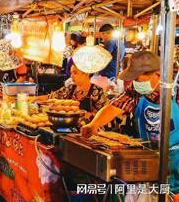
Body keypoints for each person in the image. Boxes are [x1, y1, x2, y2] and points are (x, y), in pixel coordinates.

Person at [80, 51, 179, 191]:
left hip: (176, 162)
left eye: (138, 79)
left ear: (158, 74)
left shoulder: (176, 90)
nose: (135, 83)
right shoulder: (136, 92)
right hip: (148, 160)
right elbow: (115, 106)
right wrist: (94, 124)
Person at [37, 64, 106, 118]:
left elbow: (103, 115)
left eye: (75, 73)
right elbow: (51, 97)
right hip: (69, 124)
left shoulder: (97, 91)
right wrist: (35, 98)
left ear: (86, 73)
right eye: (71, 73)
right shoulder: (70, 88)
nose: (71, 76)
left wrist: (87, 115)